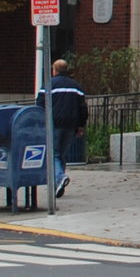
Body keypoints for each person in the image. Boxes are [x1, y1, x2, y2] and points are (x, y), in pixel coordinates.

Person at [44, 58, 88, 198]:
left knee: (53, 154)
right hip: (70, 125)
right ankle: (59, 185)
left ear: (55, 70)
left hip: (54, 124)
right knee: (61, 154)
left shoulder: (49, 85)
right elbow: (83, 108)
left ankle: (59, 178)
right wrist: (81, 125)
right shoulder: (76, 86)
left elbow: (39, 105)